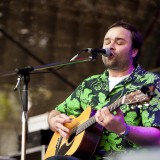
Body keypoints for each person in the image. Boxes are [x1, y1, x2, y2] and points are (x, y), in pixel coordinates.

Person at [45, 21, 160, 160]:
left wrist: (123, 129)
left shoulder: (150, 83)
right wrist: (53, 121)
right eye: (107, 41)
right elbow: (57, 111)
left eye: (119, 42)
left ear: (134, 51)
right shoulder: (90, 84)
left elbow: (157, 137)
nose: (110, 46)